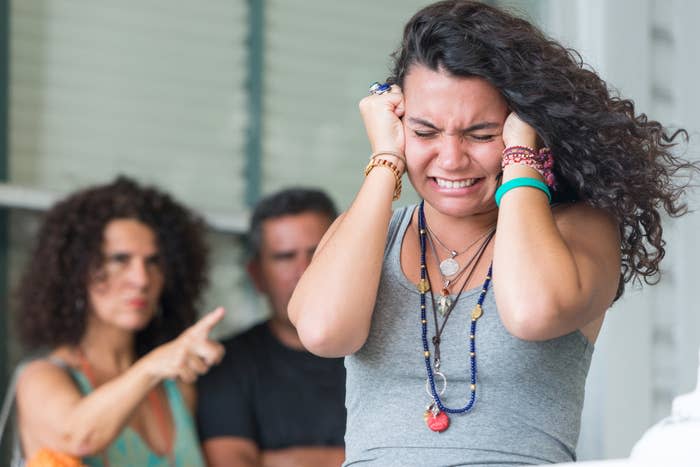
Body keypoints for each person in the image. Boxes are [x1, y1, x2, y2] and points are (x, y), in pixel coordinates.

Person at [288, 1, 697, 466]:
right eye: (425, 132)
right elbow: (323, 333)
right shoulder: (371, 231)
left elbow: (532, 313)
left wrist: (523, 151)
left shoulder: (576, 228)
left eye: (481, 134)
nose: (451, 158)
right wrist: (386, 160)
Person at [14, 176, 225, 466]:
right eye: (119, 260)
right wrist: (152, 365)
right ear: (76, 272)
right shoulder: (42, 377)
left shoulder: (177, 389)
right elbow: (77, 436)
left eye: (154, 262)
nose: (141, 280)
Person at [197, 188, 346, 467]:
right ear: (257, 276)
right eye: (285, 257)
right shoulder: (226, 363)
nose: (304, 271)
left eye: (317, 252)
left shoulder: (390, 350)